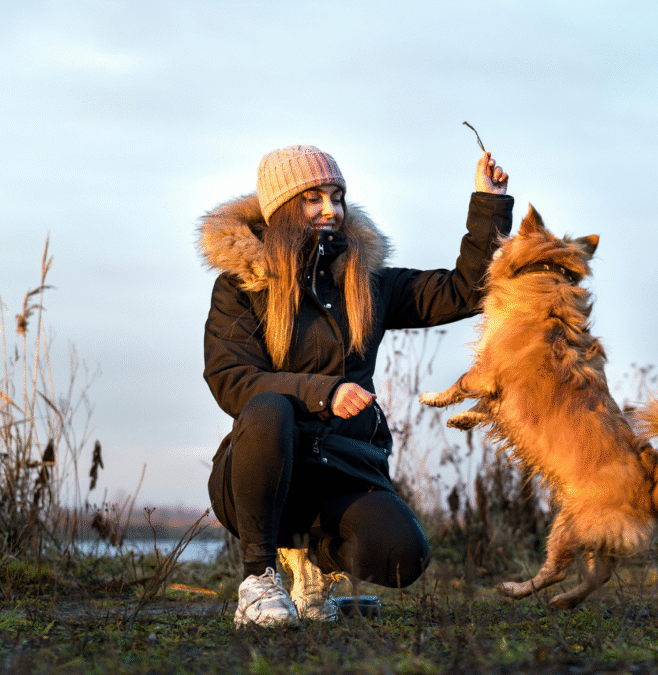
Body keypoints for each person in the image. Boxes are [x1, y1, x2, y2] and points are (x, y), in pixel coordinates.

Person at [198, 144, 512, 627]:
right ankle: (258, 580)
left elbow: (463, 292)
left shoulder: (366, 282)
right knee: (268, 409)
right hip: (258, 474)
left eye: (337, 197)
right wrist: (323, 393)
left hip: (341, 468)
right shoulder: (241, 286)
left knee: (403, 556)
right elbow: (231, 378)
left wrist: (488, 204)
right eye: (314, 198)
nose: (331, 210)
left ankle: (311, 572)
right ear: (280, 209)